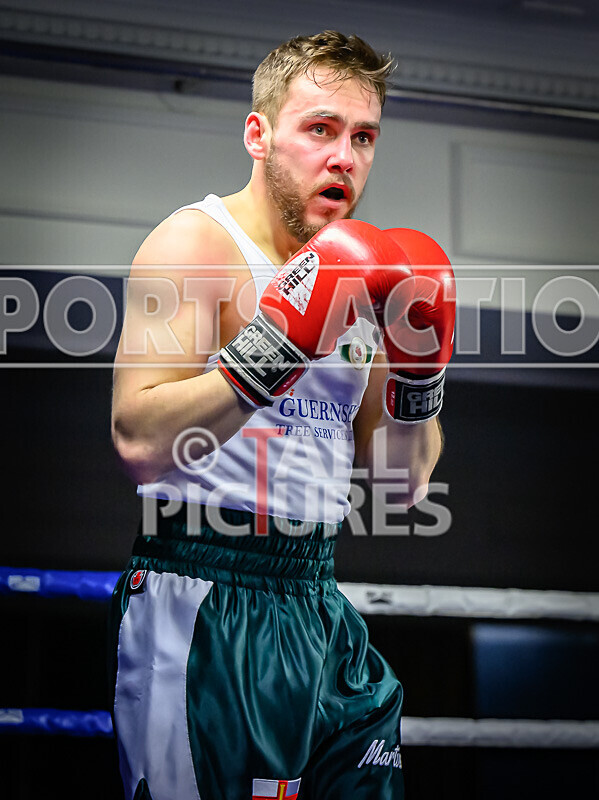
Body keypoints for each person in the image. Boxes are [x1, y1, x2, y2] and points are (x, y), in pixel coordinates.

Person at [110, 30, 454, 800]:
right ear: (258, 135)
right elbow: (137, 440)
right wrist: (277, 349)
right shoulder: (197, 242)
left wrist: (420, 365)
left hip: (318, 601)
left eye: (363, 137)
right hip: (201, 593)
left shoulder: (369, 273)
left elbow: (402, 485)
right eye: (321, 129)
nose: (345, 157)